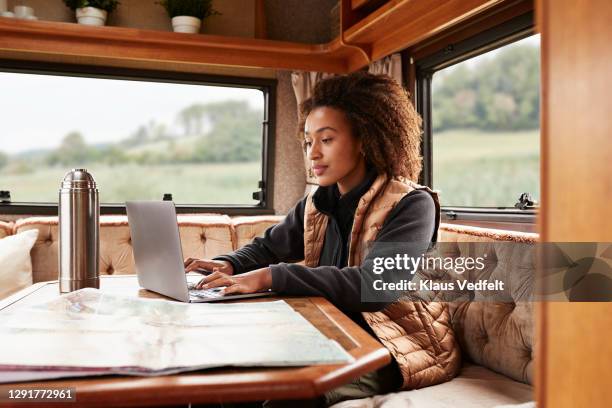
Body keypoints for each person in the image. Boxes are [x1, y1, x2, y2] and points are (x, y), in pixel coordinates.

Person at [184, 72, 456, 406]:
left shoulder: (413, 204)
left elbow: (376, 287)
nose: (313, 153)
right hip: (332, 331)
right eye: (309, 141)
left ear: (364, 139)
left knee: (289, 398)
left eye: (326, 140)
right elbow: (270, 246)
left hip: (399, 346)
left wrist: (271, 276)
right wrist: (230, 262)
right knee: (224, 380)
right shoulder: (317, 202)